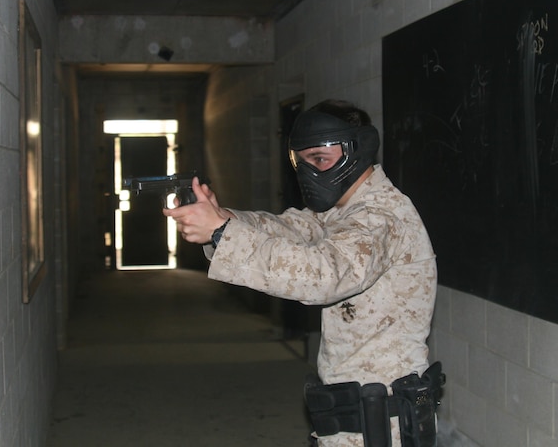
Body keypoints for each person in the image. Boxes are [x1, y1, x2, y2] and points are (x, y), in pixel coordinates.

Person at [164, 99, 440, 447]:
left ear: (359, 150)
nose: (310, 172)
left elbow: (323, 275)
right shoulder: (342, 211)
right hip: (355, 414)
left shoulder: (380, 217)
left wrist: (220, 232)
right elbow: (288, 230)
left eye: (320, 160)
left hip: (381, 425)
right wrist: (224, 219)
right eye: (302, 161)